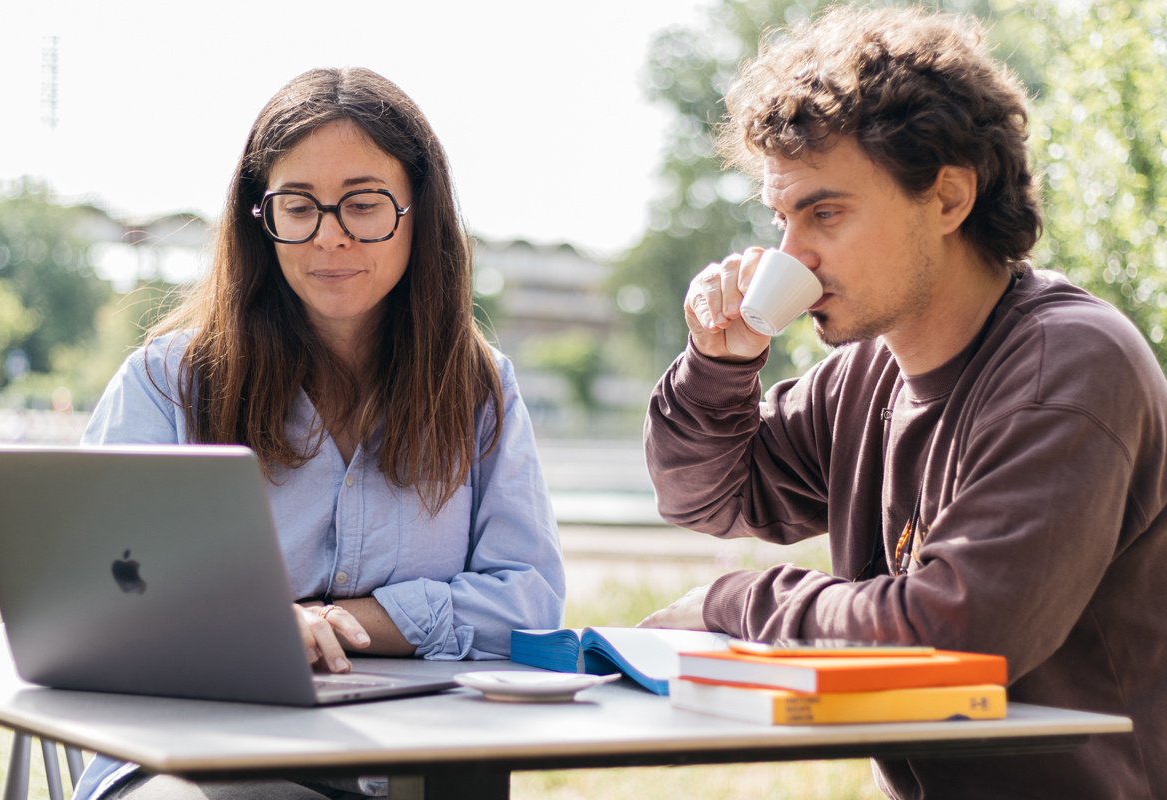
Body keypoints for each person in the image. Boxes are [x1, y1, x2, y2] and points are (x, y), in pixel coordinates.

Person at [639, 6, 1166, 798]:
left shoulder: (1068, 368)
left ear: (949, 199)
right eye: (781, 219)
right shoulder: (867, 372)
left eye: (825, 212)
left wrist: (731, 601)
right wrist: (720, 366)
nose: (793, 255)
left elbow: (955, 635)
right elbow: (703, 496)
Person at [72, 67, 566, 800]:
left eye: (363, 205)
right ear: (258, 217)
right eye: (298, 207)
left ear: (417, 212)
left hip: (412, 763)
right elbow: (89, 595)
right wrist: (253, 627)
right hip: (193, 756)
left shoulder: (477, 388)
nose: (330, 237)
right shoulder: (169, 380)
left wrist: (342, 621)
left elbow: (529, 599)